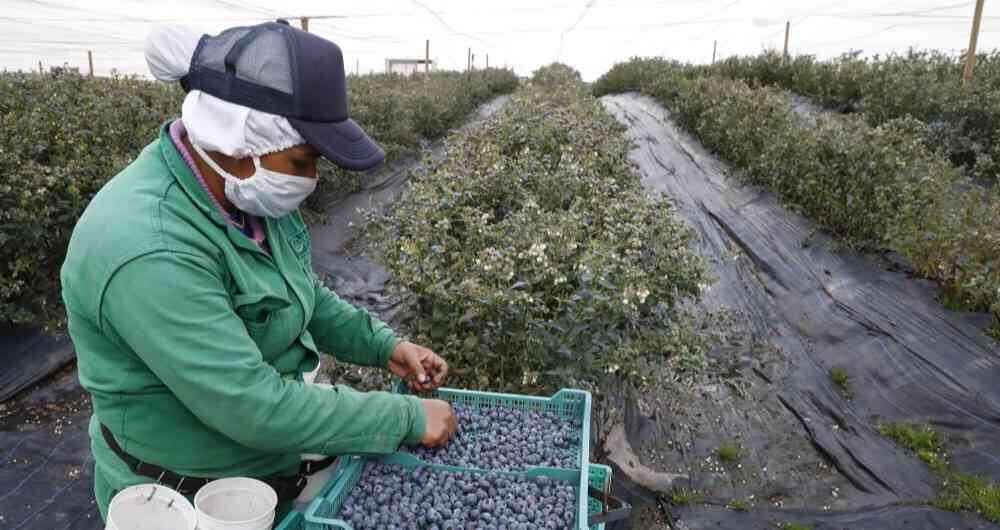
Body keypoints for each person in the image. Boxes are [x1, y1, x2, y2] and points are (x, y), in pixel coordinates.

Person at [59, 21, 457, 521]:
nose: (311, 180)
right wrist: (403, 416)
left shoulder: (247, 188)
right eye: (303, 160)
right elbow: (250, 405)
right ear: (238, 139)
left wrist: (384, 345)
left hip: (269, 467)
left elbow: (300, 293)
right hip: (188, 497)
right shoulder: (148, 247)